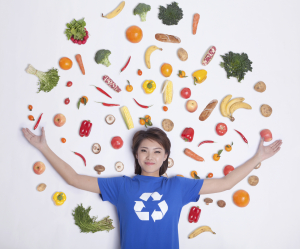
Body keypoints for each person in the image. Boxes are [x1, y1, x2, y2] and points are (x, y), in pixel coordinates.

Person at [22, 126, 282, 249]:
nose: (150, 156)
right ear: (136, 155)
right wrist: (44, 147)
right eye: (144, 150)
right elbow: (74, 179)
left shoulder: (179, 186)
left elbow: (226, 183)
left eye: (157, 151)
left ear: (165, 156)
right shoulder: (121, 186)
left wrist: (258, 157)